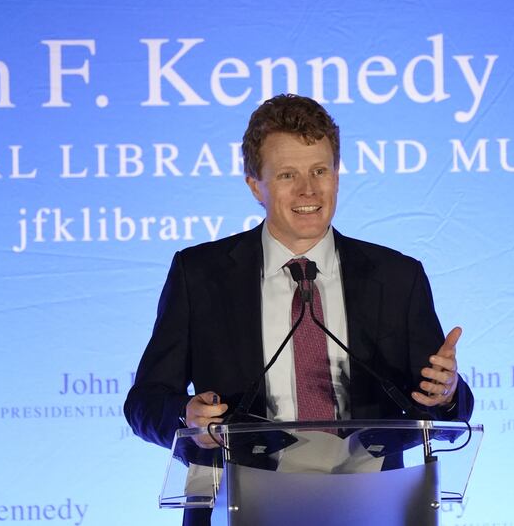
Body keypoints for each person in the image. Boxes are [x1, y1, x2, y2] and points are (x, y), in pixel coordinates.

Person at [124, 94, 473, 525]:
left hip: (370, 501)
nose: (309, 190)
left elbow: (437, 403)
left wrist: (447, 393)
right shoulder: (200, 275)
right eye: (288, 174)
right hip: (240, 498)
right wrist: (187, 416)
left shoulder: (397, 276)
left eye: (320, 171)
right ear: (256, 185)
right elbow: (145, 402)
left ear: (337, 174)